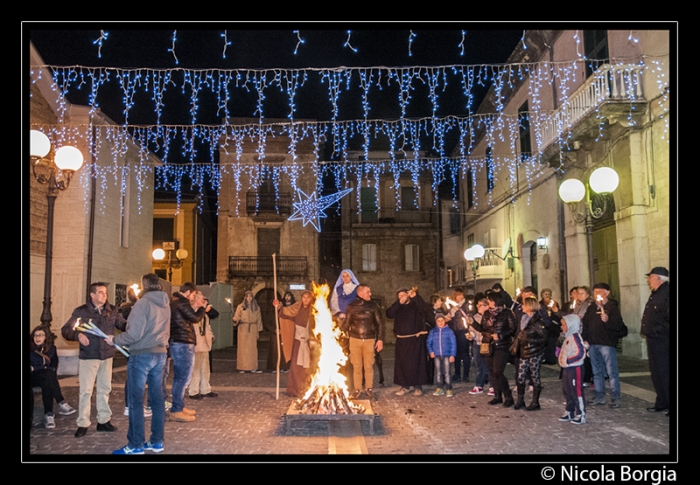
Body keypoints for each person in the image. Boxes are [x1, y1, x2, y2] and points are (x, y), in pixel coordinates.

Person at [108, 273, 170, 454]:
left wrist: (115, 340)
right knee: (157, 399)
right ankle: (157, 441)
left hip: (142, 355)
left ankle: (135, 445)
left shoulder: (142, 304)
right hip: (160, 354)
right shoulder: (165, 303)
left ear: (143, 285)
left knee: (136, 401)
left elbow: (134, 334)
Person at [62, 282, 127, 438]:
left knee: (105, 389)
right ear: (92, 295)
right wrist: (78, 335)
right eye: (100, 292)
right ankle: (83, 423)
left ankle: (103, 420)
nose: (104, 296)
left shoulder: (111, 311)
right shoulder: (81, 312)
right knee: (86, 391)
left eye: (105, 293)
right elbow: (66, 330)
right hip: (89, 357)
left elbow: (123, 324)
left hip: (107, 356)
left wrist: (134, 326)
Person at [470, 291, 517, 407]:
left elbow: (513, 329)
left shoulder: (507, 313)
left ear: (496, 301)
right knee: (491, 372)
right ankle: (497, 395)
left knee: (498, 372)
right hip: (488, 346)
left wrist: (501, 335)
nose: (488, 302)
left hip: (502, 346)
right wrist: (472, 323)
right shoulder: (486, 314)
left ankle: (508, 396)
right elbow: (482, 328)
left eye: (489, 300)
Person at [582, 283, 624, 408]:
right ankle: (599, 395)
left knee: (611, 372)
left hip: (606, 343)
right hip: (594, 343)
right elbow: (586, 325)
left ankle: (615, 397)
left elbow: (618, 325)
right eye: (595, 291)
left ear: (607, 293)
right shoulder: (591, 308)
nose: (597, 294)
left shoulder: (612, 307)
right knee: (597, 372)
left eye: (600, 291)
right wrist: (586, 339)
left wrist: (607, 320)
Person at [168, 282, 205, 422]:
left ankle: (179, 406)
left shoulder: (176, 302)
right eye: (194, 295)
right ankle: (176, 409)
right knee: (182, 378)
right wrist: (202, 309)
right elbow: (194, 318)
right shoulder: (181, 303)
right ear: (188, 292)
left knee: (182, 377)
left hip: (180, 342)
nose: (193, 298)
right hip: (182, 343)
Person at [341, 284, 385, 399]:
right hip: (354, 340)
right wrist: (336, 334)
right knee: (356, 366)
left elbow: (380, 324)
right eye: (368, 292)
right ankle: (357, 389)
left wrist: (380, 339)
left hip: (369, 339)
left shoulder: (373, 306)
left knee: (368, 365)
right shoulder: (351, 307)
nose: (370, 294)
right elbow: (346, 324)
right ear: (360, 293)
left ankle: (369, 388)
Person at [386, 287, 430, 396]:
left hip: (415, 339)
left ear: (408, 295)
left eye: (403, 295)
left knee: (416, 363)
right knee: (403, 365)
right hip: (402, 340)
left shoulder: (416, 305)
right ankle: (404, 386)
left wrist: (416, 297)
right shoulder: (398, 307)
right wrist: (398, 303)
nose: (401, 297)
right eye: (399, 296)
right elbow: (389, 314)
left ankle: (417, 386)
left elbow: (425, 309)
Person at [29, 325, 75, 429]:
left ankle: (49, 415)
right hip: (31, 377)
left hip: (45, 377)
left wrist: (37, 367)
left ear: (45, 337)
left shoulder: (52, 349)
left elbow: (54, 365)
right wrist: (39, 368)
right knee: (48, 375)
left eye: (40, 335)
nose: (37, 338)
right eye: (35, 335)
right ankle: (61, 402)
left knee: (48, 380)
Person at [118, 286, 152, 419]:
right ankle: (131, 406)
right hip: (135, 346)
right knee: (135, 377)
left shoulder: (140, 307)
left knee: (140, 377)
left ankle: (134, 405)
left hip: (142, 345)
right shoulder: (129, 309)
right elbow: (130, 326)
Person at [640, 267, 670, 416]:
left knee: (665, 372)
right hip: (653, 339)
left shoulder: (667, 293)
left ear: (659, 278)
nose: (649, 280)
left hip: (663, 340)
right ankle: (662, 402)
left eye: (650, 277)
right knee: (656, 372)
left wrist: (655, 330)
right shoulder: (656, 293)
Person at [275, 290, 314, 397]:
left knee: (309, 366)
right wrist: (279, 307)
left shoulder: (314, 310)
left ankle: (308, 389)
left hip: (310, 342)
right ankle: (295, 389)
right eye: (304, 297)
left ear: (311, 299)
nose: (306, 299)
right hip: (298, 341)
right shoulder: (296, 307)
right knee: (296, 366)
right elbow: (286, 313)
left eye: (308, 297)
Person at [513, 297, 548, 411]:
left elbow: (543, 338)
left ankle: (535, 402)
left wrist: (529, 341)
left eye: (524, 304)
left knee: (534, 376)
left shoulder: (538, 321)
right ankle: (520, 400)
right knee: (520, 376)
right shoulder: (524, 318)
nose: (522, 306)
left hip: (534, 352)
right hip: (524, 351)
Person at [558, 313, 589, 424]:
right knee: (567, 390)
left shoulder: (575, 338)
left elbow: (580, 353)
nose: (562, 327)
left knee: (576, 391)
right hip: (568, 368)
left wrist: (568, 361)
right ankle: (569, 410)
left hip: (575, 368)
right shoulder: (568, 337)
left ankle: (581, 413)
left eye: (564, 325)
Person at [188, 292, 219, 399]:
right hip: (196, 342)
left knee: (205, 368)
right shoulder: (191, 311)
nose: (204, 300)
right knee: (195, 369)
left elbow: (215, 314)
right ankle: (193, 391)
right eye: (202, 298)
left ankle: (206, 389)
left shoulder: (204, 311)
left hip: (205, 342)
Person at [465, 294, 490, 395]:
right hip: (477, 344)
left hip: (487, 344)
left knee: (489, 366)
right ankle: (479, 385)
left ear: (487, 306)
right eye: (478, 305)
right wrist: (470, 335)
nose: (478, 307)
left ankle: (492, 386)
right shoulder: (474, 317)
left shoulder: (490, 318)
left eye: (481, 305)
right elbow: (472, 330)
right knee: (479, 366)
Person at [427, 313, 456, 397]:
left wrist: (452, 355)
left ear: (445, 321)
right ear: (436, 322)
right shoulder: (433, 332)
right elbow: (429, 342)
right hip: (436, 355)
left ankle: (448, 388)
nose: (440, 322)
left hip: (447, 354)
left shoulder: (449, 331)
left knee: (447, 372)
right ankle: (439, 387)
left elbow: (453, 343)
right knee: (438, 372)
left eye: (442, 320)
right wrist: (431, 351)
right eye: (438, 321)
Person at [233, 291, 263, 373]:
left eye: (250, 296)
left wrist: (258, 331)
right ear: (245, 297)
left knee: (252, 349)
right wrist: (235, 319)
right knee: (243, 348)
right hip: (243, 328)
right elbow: (237, 316)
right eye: (247, 296)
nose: (249, 298)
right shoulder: (240, 307)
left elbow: (259, 320)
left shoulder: (256, 307)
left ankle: (252, 367)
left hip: (253, 328)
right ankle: (242, 367)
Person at [447, 287, 471, 384]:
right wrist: (452, 311)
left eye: (461, 295)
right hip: (454, 331)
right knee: (456, 353)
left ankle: (466, 375)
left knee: (465, 353)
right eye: (458, 295)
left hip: (463, 331)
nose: (460, 297)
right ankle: (457, 374)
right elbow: (449, 318)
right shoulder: (451, 306)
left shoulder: (466, 305)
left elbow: (470, 316)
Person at [266, 291, 294, 373]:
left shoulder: (283, 313)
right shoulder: (271, 312)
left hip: (283, 334)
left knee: (283, 350)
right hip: (274, 334)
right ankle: (274, 367)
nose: (278, 306)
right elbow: (267, 323)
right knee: (274, 351)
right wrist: (274, 330)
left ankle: (283, 366)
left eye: (279, 304)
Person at [540, 288, 562, 365]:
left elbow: (557, 314)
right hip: (544, 326)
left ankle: (552, 359)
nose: (547, 295)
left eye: (549, 294)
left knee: (552, 343)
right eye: (545, 294)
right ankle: (545, 357)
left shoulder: (554, 303)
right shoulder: (540, 304)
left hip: (553, 326)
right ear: (542, 295)